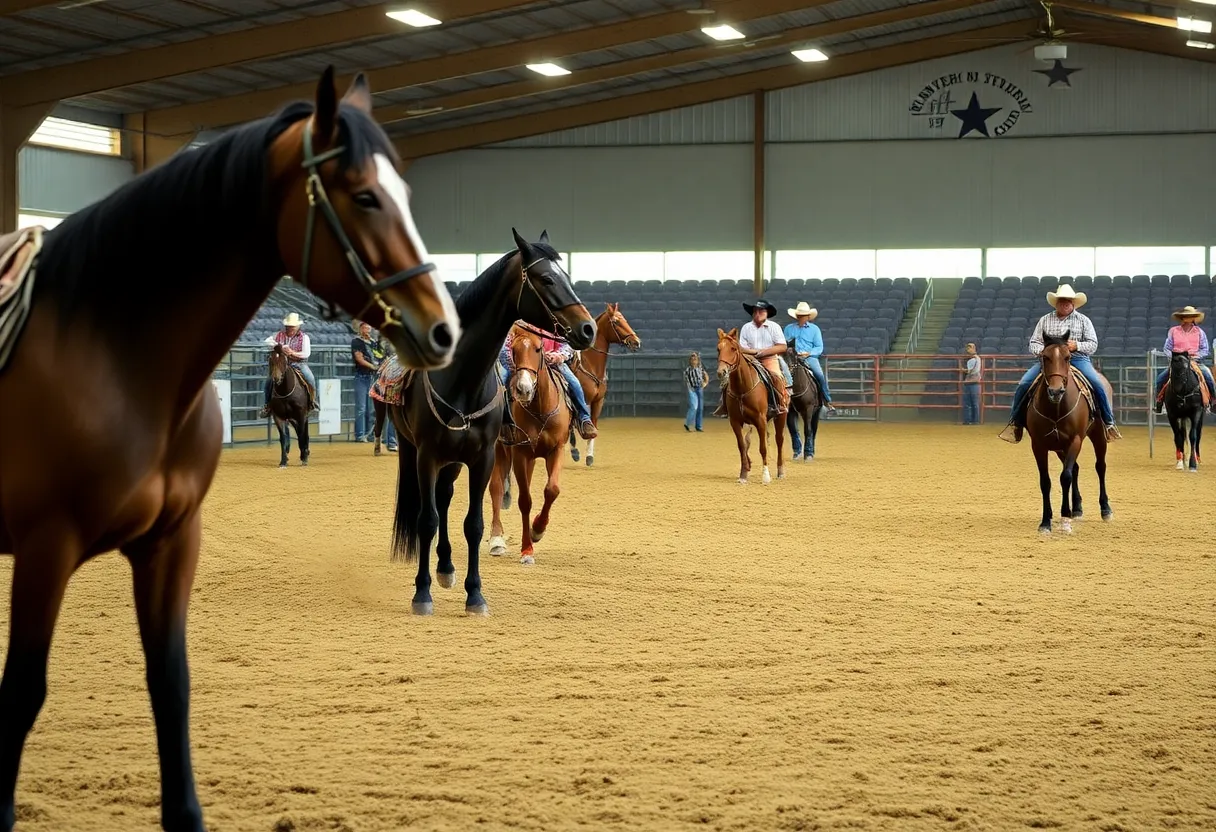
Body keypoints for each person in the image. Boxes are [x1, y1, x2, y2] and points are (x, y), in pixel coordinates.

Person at [1000, 283, 1120, 444]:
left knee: (1097, 384)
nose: (1064, 303)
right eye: (1061, 300)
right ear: (1056, 302)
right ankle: (1016, 423)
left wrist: (1076, 345)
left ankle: (1108, 423)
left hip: (1078, 359)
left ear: (1073, 303)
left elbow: (1093, 344)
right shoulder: (1045, 320)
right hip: (1050, 362)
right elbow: (1034, 342)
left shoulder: (1083, 321)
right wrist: (1045, 352)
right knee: (1024, 384)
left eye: (1068, 300)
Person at [503, 324, 598, 441]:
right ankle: (504, 422)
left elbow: (567, 344)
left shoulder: (556, 323)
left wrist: (558, 356)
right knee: (502, 382)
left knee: (574, 383)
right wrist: (511, 363)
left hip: (552, 362)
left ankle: (584, 419)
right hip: (521, 363)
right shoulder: (518, 324)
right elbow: (505, 345)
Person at [1153, 305, 1215, 414]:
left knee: (1208, 375)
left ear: (1193, 318)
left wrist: (1196, 356)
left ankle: (1213, 401)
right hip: (1177, 361)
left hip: (1194, 361)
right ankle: (1159, 402)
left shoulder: (1199, 332)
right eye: (1185, 316)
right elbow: (1167, 348)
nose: (1187, 318)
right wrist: (1173, 357)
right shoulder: (1173, 331)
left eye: (1190, 316)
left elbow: (1205, 349)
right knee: (1160, 378)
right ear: (1182, 318)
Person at [782, 301, 837, 417]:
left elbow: (819, 347)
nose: (802, 317)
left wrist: (809, 353)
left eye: (804, 315)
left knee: (819, 375)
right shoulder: (788, 329)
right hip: (791, 358)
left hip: (809, 358)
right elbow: (783, 344)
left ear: (808, 317)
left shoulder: (814, 329)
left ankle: (827, 401)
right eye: (800, 315)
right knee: (778, 374)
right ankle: (777, 401)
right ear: (797, 316)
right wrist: (788, 349)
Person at [738, 298, 790, 413]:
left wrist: (761, 352)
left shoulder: (774, 327)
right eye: (755, 311)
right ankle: (727, 405)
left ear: (767, 313)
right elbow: (741, 348)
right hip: (749, 360)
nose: (757, 314)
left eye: (761, 311)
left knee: (775, 377)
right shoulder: (746, 328)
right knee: (733, 377)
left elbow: (782, 346)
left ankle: (780, 403)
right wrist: (756, 353)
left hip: (769, 359)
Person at [260, 311, 317, 417]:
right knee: (269, 381)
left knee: (310, 378)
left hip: (299, 364)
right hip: (282, 364)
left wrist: (292, 352)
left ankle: (312, 403)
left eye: (292, 327)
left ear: (297, 327)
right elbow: (267, 342)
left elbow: (306, 353)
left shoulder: (304, 337)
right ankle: (267, 405)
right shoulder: (279, 335)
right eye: (288, 326)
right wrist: (279, 346)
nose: (289, 329)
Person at [370, 332, 398, 452]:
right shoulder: (379, 344)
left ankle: (392, 441)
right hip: (387, 373)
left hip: (397, 364)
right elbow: (376, 358)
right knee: (382, 417)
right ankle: (383, 440)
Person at [351, 321, 378, 442]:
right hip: (362, 376)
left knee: (370, 408)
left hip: (371, 377)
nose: (367, 328)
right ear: (360, 328)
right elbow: (359, 359)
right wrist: (374, 366)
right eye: (364, 326)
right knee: (362, 407)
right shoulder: (356, 342)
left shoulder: (373, 343)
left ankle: (369, 434)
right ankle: (360, 434)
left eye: (368, 326)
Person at [684, 352, 709, 432]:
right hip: (692, 389)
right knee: (694, 407)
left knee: (700, 408)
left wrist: (705, 383)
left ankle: (699, 426)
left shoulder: (700, 368)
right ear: (690, 360)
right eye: (692, 358)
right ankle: (688, 423)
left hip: (699, 388)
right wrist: (690, 390)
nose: (694, 360)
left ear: (698, 360)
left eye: (695, 358)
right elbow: (687, 381)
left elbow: (706, 375)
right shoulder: (687, 370)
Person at [961, 343, 981, 425]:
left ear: (974, 348)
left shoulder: (975, 359)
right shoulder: (974, 359)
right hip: (971, 382)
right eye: (968, 348)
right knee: (969, 402)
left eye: (970, 348)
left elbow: (971, 371)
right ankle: (970, 420)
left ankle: (972, 420)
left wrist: (963, 370)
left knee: (972, 403)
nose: (968, 349)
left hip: (973, 382)